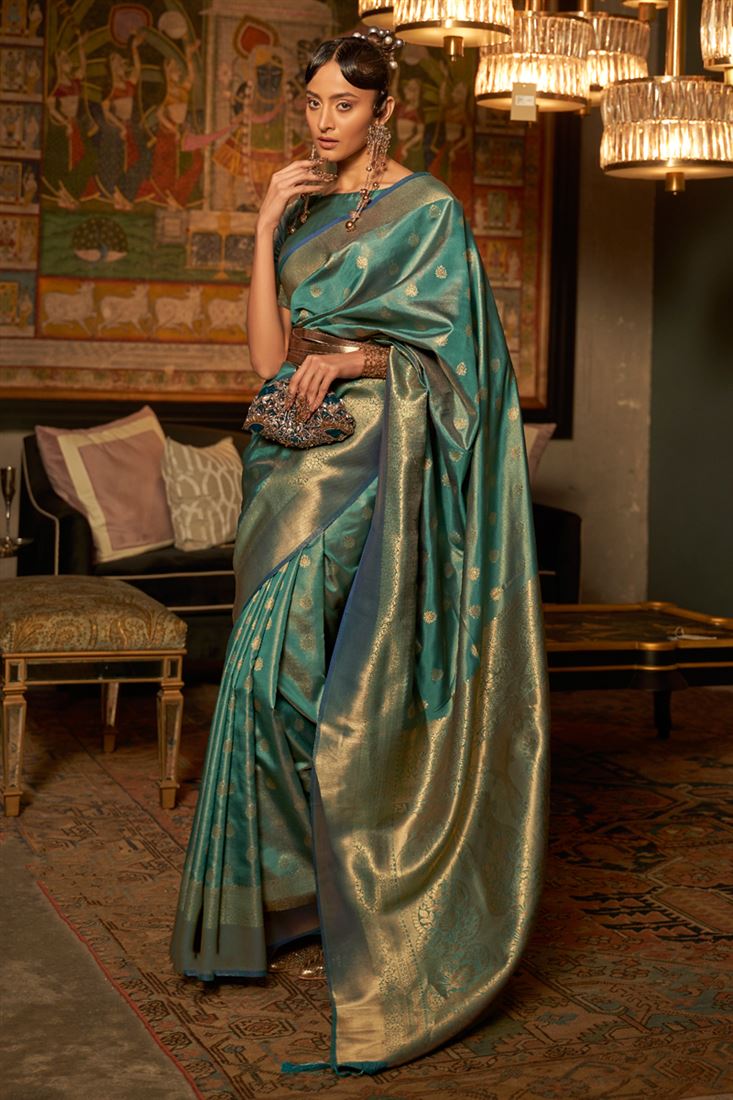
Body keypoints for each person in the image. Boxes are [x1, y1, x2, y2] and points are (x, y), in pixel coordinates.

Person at [171, 29, 549, 1076]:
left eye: (343, 104)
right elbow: (264, 357)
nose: (322, 121)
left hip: (374, 454)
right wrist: (263, 226)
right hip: (281, 460)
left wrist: (358, 358)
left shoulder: (428, 210)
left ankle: (365, 899)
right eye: (312, 103)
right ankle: (284, 901)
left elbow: (467, 363)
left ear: (385, 112)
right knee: (261, 676)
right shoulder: (301, 210)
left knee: (314, 676)